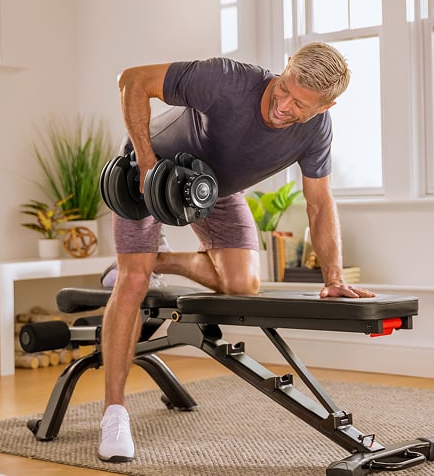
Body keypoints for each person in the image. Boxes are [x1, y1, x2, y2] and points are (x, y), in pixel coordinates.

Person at [98, 42, 376, 463]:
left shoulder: (317, 130)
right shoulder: (226, 79)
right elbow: (132, 80)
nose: (282, 105)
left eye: (300, 104)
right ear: (285, 67)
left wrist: (333, 279)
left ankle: (156, 259)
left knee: (243, 284)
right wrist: (146, 158)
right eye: (284, 88)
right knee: (133, 281)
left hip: (214, 189)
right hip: (149, 172)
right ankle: (114, 413)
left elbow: (319, 202)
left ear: (327, 106)